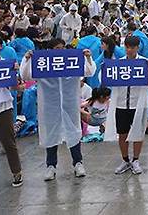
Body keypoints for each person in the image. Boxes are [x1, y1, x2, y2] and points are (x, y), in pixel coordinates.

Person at [20, 39, 95, 181]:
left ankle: (78, 162)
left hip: (69, 104)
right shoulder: (43, 64)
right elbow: (25, 75)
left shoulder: (70, 63)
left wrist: (88, 57)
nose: (59, 51)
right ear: (49, 51)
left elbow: (89, 71)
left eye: (61, 48)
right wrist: (27, 59)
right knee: (51, 134)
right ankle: (51, 166)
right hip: (50, 105)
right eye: (56, 48)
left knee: (74, 131)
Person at [104, 35, 148, 175]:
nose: (129, 50)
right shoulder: (118, 63)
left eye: (132, 47)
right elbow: (106, 79)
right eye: (127, 47)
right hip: (121, 103)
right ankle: (125, 160)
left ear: (138, 48)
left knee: (138, 132)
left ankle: (136, 160)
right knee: (122, 134)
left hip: (137, 103)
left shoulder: (145, 62)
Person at [0, 33, 23, 187]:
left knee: (9, 142)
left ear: (1, 47)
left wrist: (15, 76)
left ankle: (17, 172)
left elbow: (16, 87)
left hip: (3, 107)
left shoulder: (8, 64)